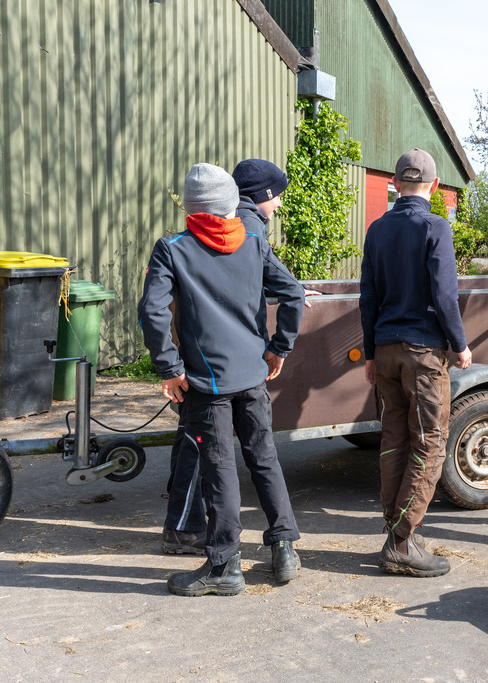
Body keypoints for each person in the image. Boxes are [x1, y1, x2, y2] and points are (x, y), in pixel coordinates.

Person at [139, 162, 305, 596]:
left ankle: (225, 565)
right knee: (263, 455)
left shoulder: (172, 248)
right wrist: (278, 347)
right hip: (252, 373)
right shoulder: (253, 239)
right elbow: (292, 293)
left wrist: (170, 368)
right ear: (233, 202)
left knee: (219, 470)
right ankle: (284, 546)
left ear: (192, 207)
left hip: (207, 383)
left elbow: (154, 312)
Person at [359, 148, 472, 577]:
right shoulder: (436, 226)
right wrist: (460, 345)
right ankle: (403, 542)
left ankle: (397, 532)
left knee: (393, 441)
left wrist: (370, 352)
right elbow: (445, 294)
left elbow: (367, 296)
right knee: (429, 442)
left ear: (393, 183)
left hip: (386, 350)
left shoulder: (378, 229)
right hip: (423, 354)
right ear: (436, 186)